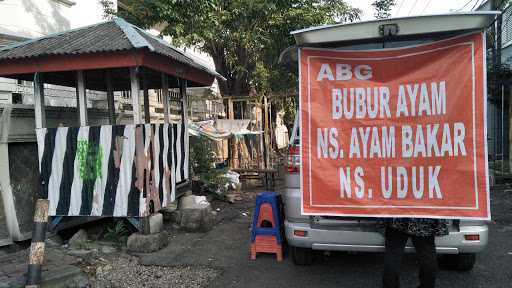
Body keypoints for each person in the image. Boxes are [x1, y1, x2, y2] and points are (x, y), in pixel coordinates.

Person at [383, 218, 449, 288]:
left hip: (399, 215)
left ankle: (390, 285)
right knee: (426, 254)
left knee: (393, 254)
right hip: (423, 217)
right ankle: (427, 285)